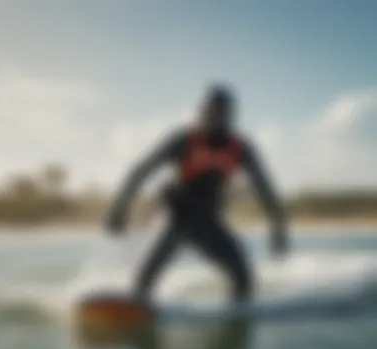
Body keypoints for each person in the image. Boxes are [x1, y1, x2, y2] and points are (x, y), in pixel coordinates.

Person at [106, 84, 288, 302]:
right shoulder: (183, 140)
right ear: (201, 111)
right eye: (209, 111)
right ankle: (136, 304)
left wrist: (278, 229)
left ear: (230, 116)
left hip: (208, 222)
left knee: (243, 278)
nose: (213, 117)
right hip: (176, 217)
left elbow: (265, 189)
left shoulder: (241, 148)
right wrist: (118, 210)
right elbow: (140, 171)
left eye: (220, 112)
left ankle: (234, 316)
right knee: (144, 282)